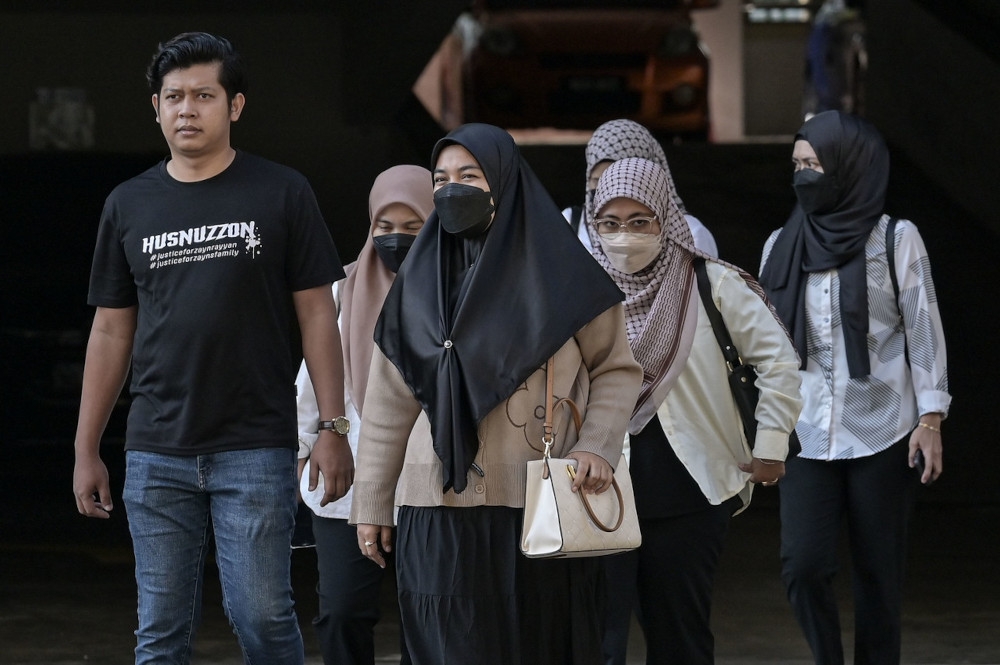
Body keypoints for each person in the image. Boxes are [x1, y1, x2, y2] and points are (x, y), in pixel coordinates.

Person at [71, 32, 350, 665]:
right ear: (156, 108)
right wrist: (87, 448)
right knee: (159, 633)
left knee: (262, 617)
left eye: (204, 95)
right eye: (174, 97)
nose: (187, 110)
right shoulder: (128, 204)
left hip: (255, 446)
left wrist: (332, 428)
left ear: (235, 106)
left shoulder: (282, 192)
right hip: (156, 450)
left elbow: (318, 315)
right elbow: (112, 330)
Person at [349, 122, 643, 665]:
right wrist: (372, 502)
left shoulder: (564, 276)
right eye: (441, 179)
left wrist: (597, 445)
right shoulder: (420, 281)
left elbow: (616, 369)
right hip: (436, 504)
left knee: (537, 643)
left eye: (469, 176)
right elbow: (389, 400)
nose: (451, 190)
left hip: (539, 499)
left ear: (505, 182)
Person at [589, 157, 802, 665]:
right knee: (597, 640)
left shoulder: (711, 283)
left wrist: (771, 446)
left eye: (640, 221)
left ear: (665, 217)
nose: (624, 236)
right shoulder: (582, 289)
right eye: (609, 223)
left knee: (679, 637)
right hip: (596, 486)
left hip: (689, 491)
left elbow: (779, 363)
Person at [758, 110, 950, 665]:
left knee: (878, 574)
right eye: (797, 165)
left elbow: (923, 328)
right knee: (803, 565)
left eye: (815, 165)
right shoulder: (779, 245)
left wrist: (931, 418)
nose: (803, 176)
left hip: (883, 431)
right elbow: (765, 349)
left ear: (850, 167)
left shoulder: (894, 239)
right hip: (806, 434)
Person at [296, 164, 433, 665]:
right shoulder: (343, 290)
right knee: (342, 612)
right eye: (385, 227)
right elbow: (314, 377)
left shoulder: (460, 288)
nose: (397, 239)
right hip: (349, 475)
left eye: (414, 227)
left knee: (429, 614)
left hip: (432, 479)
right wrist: (305, 446)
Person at [563, 118, 718, 257]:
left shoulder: (690, 235)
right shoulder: (569, 225)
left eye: (617, 179)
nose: (607, 189)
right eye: (597, 180)